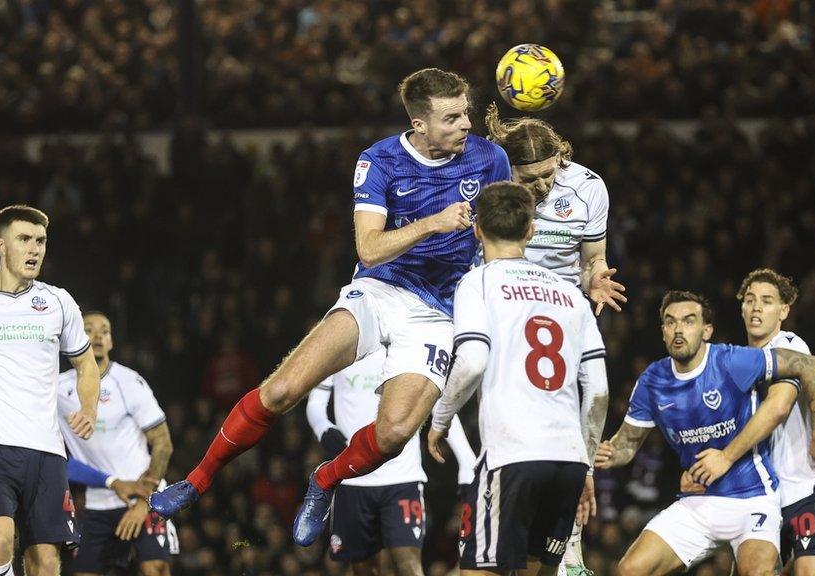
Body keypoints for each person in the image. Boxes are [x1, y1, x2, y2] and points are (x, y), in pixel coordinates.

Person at [151, 68, 511, 550]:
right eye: (452, 117)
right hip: (382, 288)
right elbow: (368, 248)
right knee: (282, 390)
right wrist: (432, 224)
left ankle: (325, 479)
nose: (466, 123)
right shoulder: (380, 161)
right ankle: (196, 480)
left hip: (440, 311)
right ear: (419, 124)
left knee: (396, 432)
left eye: (466, 111)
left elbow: (504, 234)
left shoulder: (490, 159)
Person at [426, 181, 609, 576]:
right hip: (568, 461)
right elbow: (598, 390)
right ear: (531, 231)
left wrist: (439, 418)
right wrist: (587, 464)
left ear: (477, 229)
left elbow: (472, 361)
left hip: (512, 457)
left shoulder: (479, 282)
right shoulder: (571, 294)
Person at [595, 291, 815, 576]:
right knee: (630, 570)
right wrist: (610, 454)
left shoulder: (731, 361)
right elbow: (627, 444)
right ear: (662, 332)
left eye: (688, 321)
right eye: (670, 322)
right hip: (698, 501)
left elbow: (812, 365)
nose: (679, 329)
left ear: (706, 330)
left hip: (753, 499)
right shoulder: (652, 381)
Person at [0, 205, 99, 576]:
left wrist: (89, 409)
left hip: (47, 452)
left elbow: (86, 365)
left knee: (45, 561)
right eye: (24, 239)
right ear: (1, 245)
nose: (34, 249)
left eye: (40, 240)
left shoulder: (58, 302)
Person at [305, 348, 477, 576]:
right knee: (363, 569)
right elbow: (315, 404)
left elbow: (436, 400)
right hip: (353, 479)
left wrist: (466, 459)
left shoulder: (406, 342)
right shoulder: (342, 344)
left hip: (402, 477)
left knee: (408, 564)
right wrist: (325, 430)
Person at [733, 269, 815, 575]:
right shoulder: (737, 360)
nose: (756, 308)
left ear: (783, 310)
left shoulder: (789, 343)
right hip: (760, 496)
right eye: (750, 300)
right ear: (741, 307)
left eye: (766, 301)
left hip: (804, 486)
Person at [58, 311, 177, 576]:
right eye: (88, 329)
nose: (98, 336)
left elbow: (163, 444)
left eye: (105, 330)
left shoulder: (129, 381)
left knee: (154, 569)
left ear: (111, 341)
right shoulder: (57, 389)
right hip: (98, 503)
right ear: (74, 337)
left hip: (144, 498)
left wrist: (143, 503)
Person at [485, 104, 625, 317]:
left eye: (548, 174)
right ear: (507, 168)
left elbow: (592, 260)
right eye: (529, 179)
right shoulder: (486, 183)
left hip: (560, 306)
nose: (542, 186)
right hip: (498, 304)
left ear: (559, 158)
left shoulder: (588, 188)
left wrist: (594, 279)